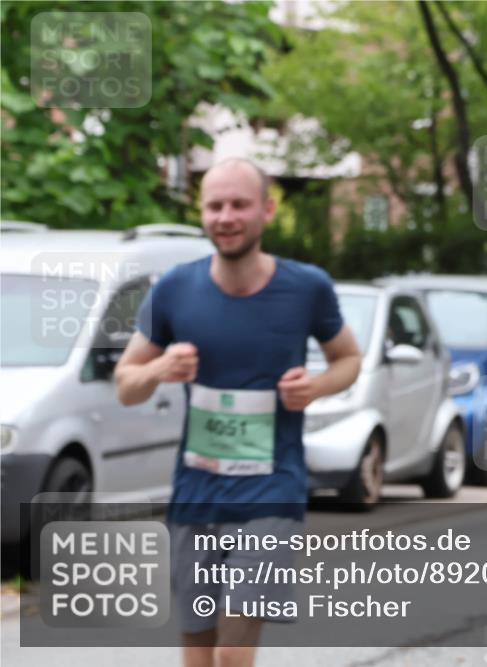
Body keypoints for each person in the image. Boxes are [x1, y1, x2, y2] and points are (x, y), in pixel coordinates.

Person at [115, 158, 362, 667]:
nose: (226, 216)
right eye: (215, 205)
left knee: (231, 651)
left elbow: (349, 360)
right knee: (198, 652)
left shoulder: (306, 288)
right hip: (197, 492)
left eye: (239, 204)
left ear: (267, 210)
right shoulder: (175, 289)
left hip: (272, 490)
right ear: (201, 212)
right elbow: (126, 385)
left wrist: (314, 387)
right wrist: (160, 365)